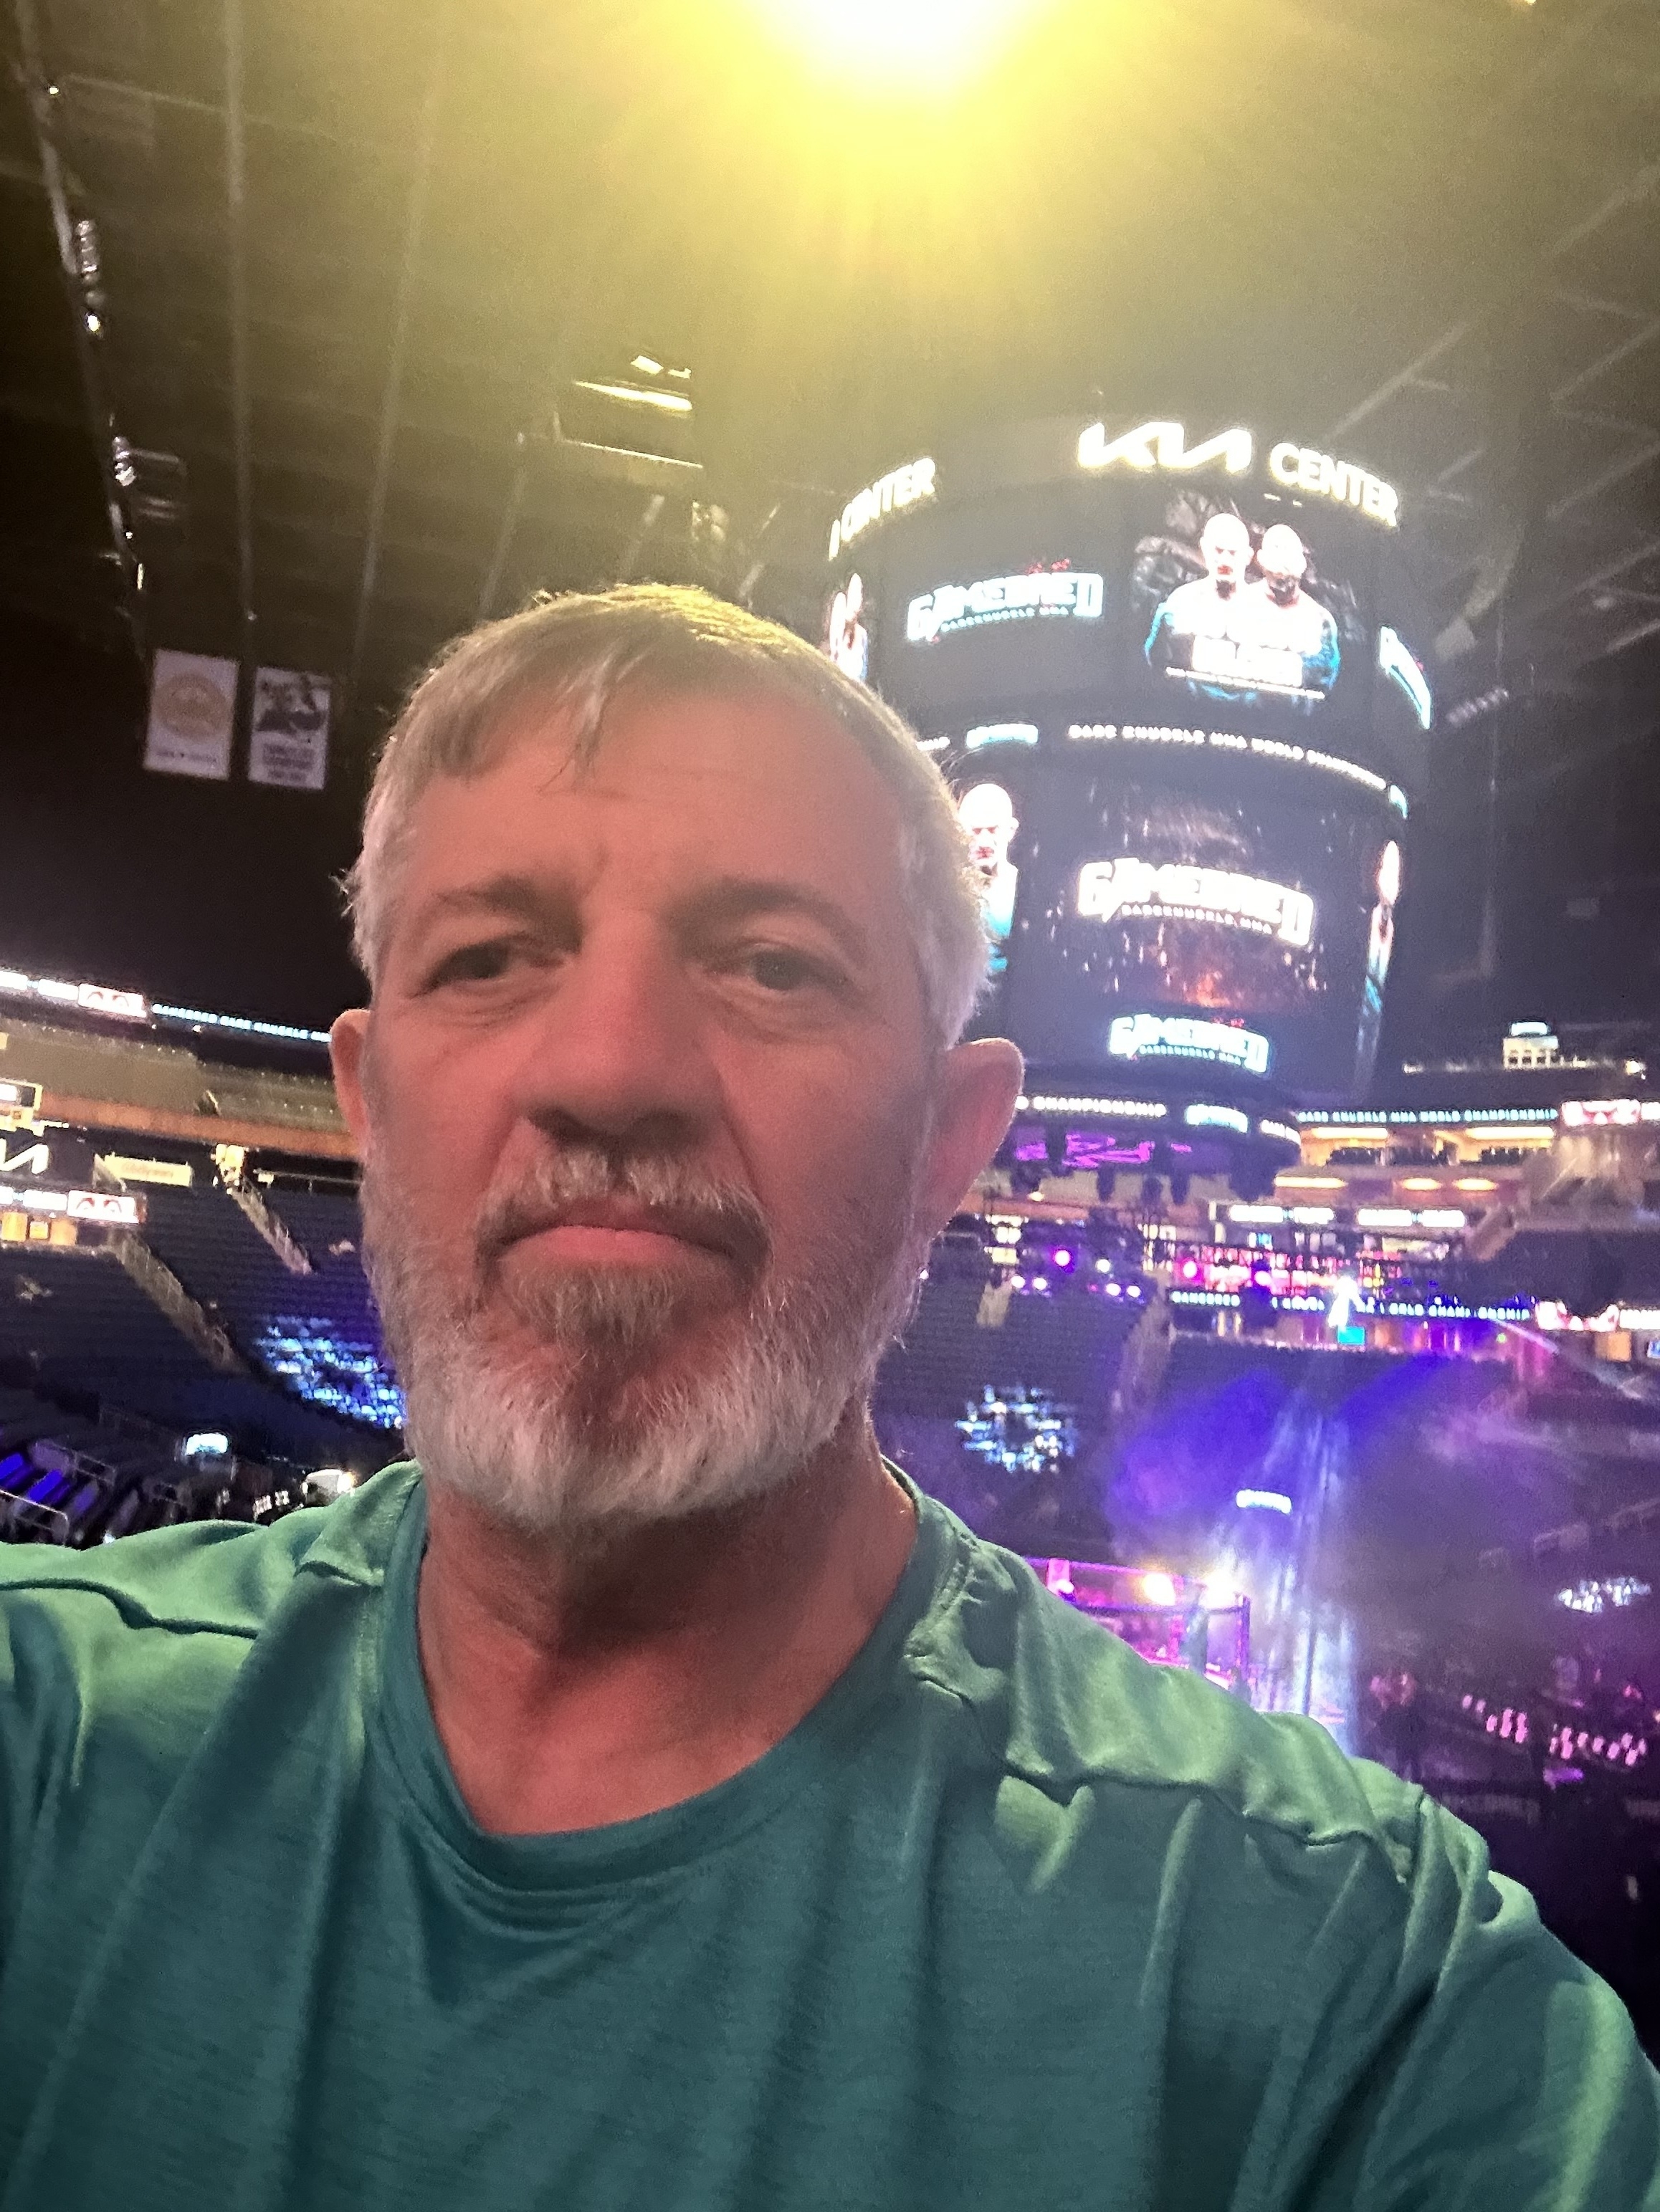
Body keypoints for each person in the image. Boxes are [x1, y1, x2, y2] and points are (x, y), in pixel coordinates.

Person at [1, 584, 1657, 2210]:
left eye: (774, 967)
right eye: (490, 956)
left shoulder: (1344, 1983)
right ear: (367, 1106)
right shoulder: (45, 1727)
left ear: (949, 1140)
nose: (606, 1071)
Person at [1143, 507, 1256, 695]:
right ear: (1204, 548)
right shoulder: (1180, 602)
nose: (1225, 560)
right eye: (1218, 551)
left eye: (1233, 553)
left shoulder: (1266, 610)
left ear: (1248, 557)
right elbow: (1154, 662)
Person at [1243, 522, 1342, 698]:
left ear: (1302, 564)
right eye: (1276, 551)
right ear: (1261, 559)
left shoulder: (1320, 619)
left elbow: (1324, 681)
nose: (1281, 563)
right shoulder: (1240, 602)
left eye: (1288, 554)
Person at [955, 778, 1019, 971]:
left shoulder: (1027, 890)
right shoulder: (948, 892)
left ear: (1010, 830)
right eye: (975, 832)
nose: (983, 841)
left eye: (992, 830)